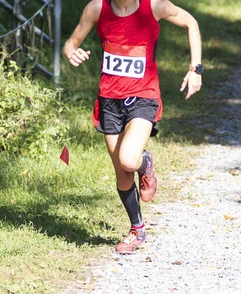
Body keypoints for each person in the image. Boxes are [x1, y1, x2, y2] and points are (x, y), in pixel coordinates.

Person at [63, 0, 202, 254]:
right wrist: (70, 51)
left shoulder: (155, 6)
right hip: (109, 101)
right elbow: (71, 43)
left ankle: (145, 163)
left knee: (129, 159)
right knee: (122, 173)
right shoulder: (97, 8)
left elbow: (191, 22)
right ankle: (137, 230)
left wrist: (196, 68)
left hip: (143, 96)